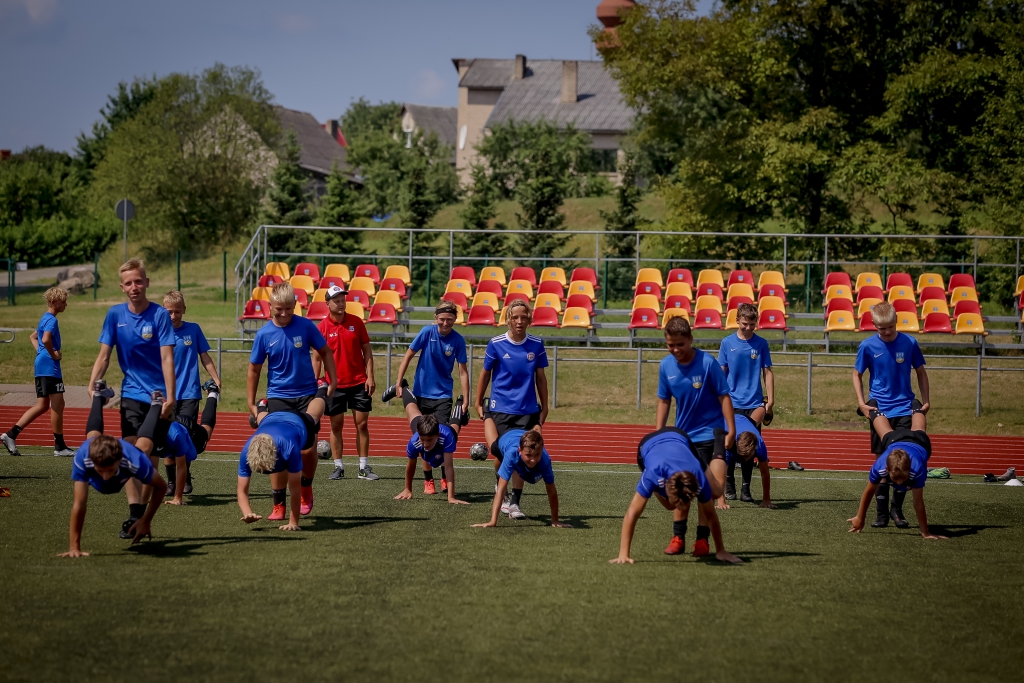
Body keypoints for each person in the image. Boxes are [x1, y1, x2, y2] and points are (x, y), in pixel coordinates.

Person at [88, 259, 176, 536]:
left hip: (158, 396)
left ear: (147, 283)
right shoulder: (115, 315)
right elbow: (104, 356)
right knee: (130, 452)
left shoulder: (160, 315)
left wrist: (171, 397)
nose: (134, 287)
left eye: (139, 281)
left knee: (145, 457)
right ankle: (135, 515)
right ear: (122, 287)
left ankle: (143, 515)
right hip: (131, 394)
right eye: (128, 283)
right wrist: (92, 385)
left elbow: (166, 358)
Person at [248, 282, 336, 516]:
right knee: (277, 449)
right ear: (270, 307)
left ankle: (306, 487)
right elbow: (254, 369)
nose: (284, 313)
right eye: (279, 309)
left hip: (307, 395)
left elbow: (325, 352)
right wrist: (250, 401)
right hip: (278, 397)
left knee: (308, 450)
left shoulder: (306, 326)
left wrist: (333, 380)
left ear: (296, 305)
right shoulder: (264, 334)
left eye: (289, 308)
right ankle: (278, 502)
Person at [59, 384, 170, 557]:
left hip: (130, 452)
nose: (105, 476)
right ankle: (99, 395)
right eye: (100, 470)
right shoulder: (84, 460)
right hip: (92, 448)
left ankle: (156, 403)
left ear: (119, 461)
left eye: (110, 470)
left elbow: (161, 487)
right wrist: (74, 547)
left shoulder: (131, 460)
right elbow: (79, 504)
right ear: (93, 463)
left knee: (144, 447)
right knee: (92, 438)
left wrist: (146, 520)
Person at [655, 316, 736, 555]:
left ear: (690, 339)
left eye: (680, 344)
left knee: (710, 491)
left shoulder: (708, 363)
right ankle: (678, 538)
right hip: (685, 439)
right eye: (670, 345)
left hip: (714, 434)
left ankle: (702, 540)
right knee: (684, 487)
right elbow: (663, 400)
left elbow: (724, 396)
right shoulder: (665, 366)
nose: (676, 350)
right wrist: (659, 435)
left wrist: (731, 429)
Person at [610, 427, 742, 564]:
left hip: (679, 437)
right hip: (648, 444)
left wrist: (721, 550)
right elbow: (632, 513)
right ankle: (657, 494)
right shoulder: (653, 473)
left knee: (717, 491)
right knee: (669, 505)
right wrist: (623, 554)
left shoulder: (697, 475)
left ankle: (719, 440)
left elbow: (710, 514)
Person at [852, 300, 930, 526]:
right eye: (881, 328)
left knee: (902, 460)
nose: (886, 332)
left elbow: (921, 372)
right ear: (874, 326)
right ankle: (881, 512)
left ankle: (897, 510)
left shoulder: (909, 342)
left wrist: (926, 401)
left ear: (897, 322)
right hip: (880, 410)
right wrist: (862, 403)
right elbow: (856, 374)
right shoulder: (867, 346)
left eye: (890, 327)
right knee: (882, 461)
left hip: (905, 407)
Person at [383, 299, 470, 489]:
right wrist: (398, 382)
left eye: (450, 319)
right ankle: (427, 478)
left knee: (441, 437)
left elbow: (463, 371)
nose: (445, 323)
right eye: (442, 319)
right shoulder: (426, 332)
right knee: (424, 437)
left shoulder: (457, 340)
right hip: (422, 393)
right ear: (435, 318)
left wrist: (466, 399)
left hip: (443, 396)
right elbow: (408, 355)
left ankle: (444, 477)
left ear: (455, 319)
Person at [474, 299, 549, 492]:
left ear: (529, 320)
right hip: (501, 409)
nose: (519, 321)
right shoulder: (496, 344)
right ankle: (501, 488)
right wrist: (477, 401)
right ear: (508, 319)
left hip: (527, 410)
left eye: (524, 317)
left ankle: (514, 502)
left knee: (521, 454)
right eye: (515, 317)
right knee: (501, 456)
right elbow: (485, 374)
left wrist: (545, 406)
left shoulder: (537, 344)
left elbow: (541, 378)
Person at [237, 385, 327, 531]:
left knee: (313, 415)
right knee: (263, 421)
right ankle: (261, 407)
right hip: (271, 419)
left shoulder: (290, 449)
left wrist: (293, 522)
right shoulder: (246, 451)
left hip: (298, 422)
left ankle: (322, 390)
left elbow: (295, 490)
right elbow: (241, 491)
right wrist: (247, 513)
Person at [311, 284, 377, 481]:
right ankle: (338, 467)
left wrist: (370, 376)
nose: (341, 304)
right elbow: (316, 358)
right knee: (336, 426)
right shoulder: (321, 328)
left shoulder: (356, 322)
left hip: (358, 382)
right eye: (336, 301)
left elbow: (367, 351)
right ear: (328, 303)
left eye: (343, 300)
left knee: (362, 424)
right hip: (334, 385)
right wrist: (315, 382)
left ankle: (363, 467)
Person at [847, 410, 947, 539]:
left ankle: (916, 408)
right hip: (899, 440)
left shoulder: (917, 469)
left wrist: (925, 533)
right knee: (888, 433)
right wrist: (860, 517)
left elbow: (918, 503)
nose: (899, 483)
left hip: (917, 444)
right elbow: (868, 492)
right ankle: (874, 409)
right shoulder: (879, 467)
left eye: (903, 478)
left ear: (909, 468)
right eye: (895, 479)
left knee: (919, 428)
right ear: (887, 469)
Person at [2, 286, 73, 457]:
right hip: (50, 368)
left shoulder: (45, 318)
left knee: (42, 405)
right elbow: (45, 339)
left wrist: (42, 353)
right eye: (63, 302)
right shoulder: (52, 320)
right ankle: (60, 446)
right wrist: (52, 354)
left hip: (42, 366)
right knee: (57, 404)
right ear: (53, 302)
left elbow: (33, 337)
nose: (66, 305)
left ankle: (11, 435)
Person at [162, 290, 221, 494]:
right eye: (169, 312)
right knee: (166, 437)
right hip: (167, 395)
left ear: (184, 310)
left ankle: (185, 478)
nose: (173, 316)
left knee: (183, 435)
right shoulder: (159, 334)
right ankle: (172, 482)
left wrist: (214, 376)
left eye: (177, 311)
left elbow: (204, 356)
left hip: (189, 394)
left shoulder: (194, 330)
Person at [717, 302, 774, 499]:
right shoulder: (727, 343)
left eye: (752, 324)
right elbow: (721, 372)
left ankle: (746, 489)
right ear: (737, 321)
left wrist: (771, 400)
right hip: (731, 403)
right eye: (744, 324)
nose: (748, 328)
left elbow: (767, 371)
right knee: (730, 445)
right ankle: (730, 484)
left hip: (754, 404)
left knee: (749, 447)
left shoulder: (761, 344)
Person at [473, 429, 570, 527]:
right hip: (503, 439)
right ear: (519, 450)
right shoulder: (511, 455)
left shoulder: (545, 460)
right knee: (500, 462)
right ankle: (499, 476)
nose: (533, 460)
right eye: (528, 455)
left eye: (537, 455)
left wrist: (555, 520)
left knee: (525, 472)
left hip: (519, 436)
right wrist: (493, 522)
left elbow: (551, 491)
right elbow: (501, 490)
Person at [392, 388, 469, 504]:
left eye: (429, 440)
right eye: (423, 440)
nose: (426, 444)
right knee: (412, 410)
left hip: (445, 429)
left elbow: (448, 467)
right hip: (425, 428)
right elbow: (410, 467)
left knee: (455, 428)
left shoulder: (446, 437)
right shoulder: (415, 442)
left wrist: (451, 497)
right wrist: (407, 489)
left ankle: (459, 403)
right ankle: (403, 387)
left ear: (437, 436)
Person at [729, 414, 775, 508]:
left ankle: (745, 490)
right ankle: (729, 487)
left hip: (746, 420)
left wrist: (766, 499)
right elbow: (719, 471)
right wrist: (721, 501)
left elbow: (765, 472)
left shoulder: (760, 445)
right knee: (727, 460)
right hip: (726, 421)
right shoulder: (727, 440)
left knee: (748, 460)